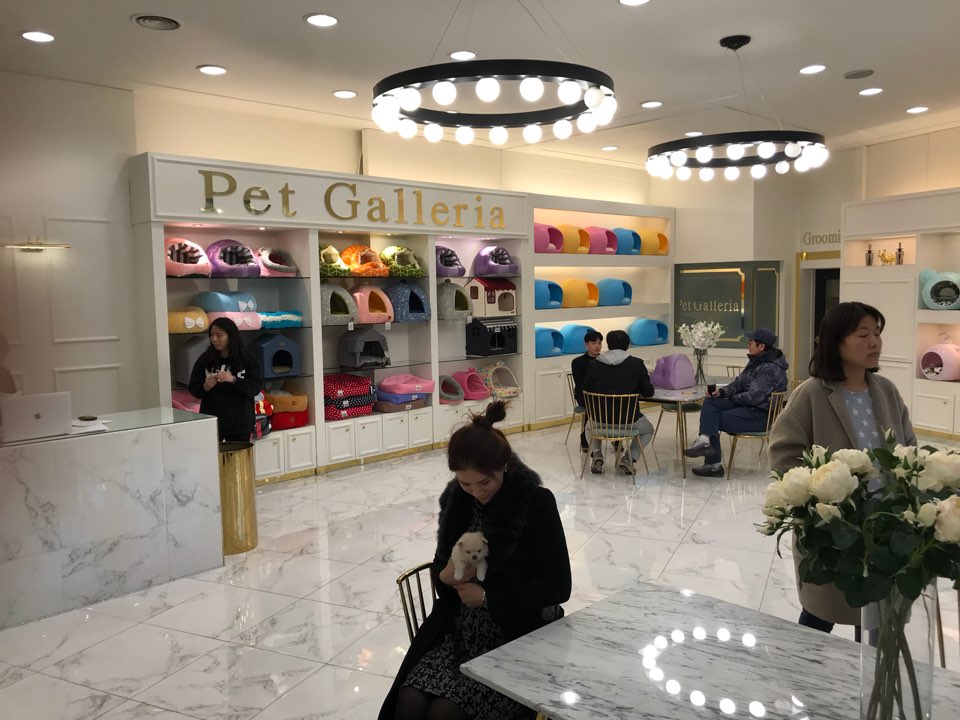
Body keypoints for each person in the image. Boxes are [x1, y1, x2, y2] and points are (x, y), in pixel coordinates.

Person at [380, 400, 571, 720]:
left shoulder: (535, 503)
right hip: (457, 633)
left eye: (485, 482)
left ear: (504, 466)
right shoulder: (458, 501)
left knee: (445, 712)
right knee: (409, 699)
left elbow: (558, 586)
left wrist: (487, 598)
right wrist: (445, 576)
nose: (477, 492)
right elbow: (442, 565)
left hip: (516, 636)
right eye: (465, 483)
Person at [769, 301, 915, 635]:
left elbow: (908, 447)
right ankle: (805, 668)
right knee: (822, 614)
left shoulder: (886, 391)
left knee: (882, 614)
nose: (874, 342)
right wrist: (817, 501)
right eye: (863, 334)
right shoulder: (811, 394)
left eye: (877, 333)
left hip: (886, 525)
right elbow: (783, 456)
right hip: (835, 528)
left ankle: (877, 671)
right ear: (836, 341)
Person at [684, 327, 788, 477]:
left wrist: (731, 398)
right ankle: (704, 441)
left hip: (759, 416)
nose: (748, 344)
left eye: (751, 342)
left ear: (761, 346)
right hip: (747, 408)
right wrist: (721, 393)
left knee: (713, 418)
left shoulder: (771, 369)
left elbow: (753, 397)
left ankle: (713, 465)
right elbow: (739, 383)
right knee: (711, 403)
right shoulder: (757, 361)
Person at [581, 329, 655, 475]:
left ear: (608, 345)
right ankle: (629, 458)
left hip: (600, 419)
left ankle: (597, 454)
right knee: (648, 430)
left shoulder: (594, 364)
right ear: (627, 345)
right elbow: (648, 392)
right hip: (629, 420)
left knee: (589, 428)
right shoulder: (637, 364)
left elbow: (586, 390)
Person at [188, 317, 263, 441]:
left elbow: (255, 388)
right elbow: (193, 388)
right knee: (211, 454)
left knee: (238, 454)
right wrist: (205, 386)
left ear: (231, 336)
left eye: (219, 335)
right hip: (212, 422)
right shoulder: (205, 359)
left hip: (240, 424)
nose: (214, 339)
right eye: (211, 335)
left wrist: (233, 380)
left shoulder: (247, 359)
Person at [571, 330, 603, 452]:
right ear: (586, 344)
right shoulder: (577, 362)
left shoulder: (604, 360)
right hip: (583, 394)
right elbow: (580, 384)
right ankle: (585, 437)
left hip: (601, 394)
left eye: (599, 343)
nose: (597, 346)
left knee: (613, 402)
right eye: (594, 343)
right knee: (593, 404)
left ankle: (615, 438)